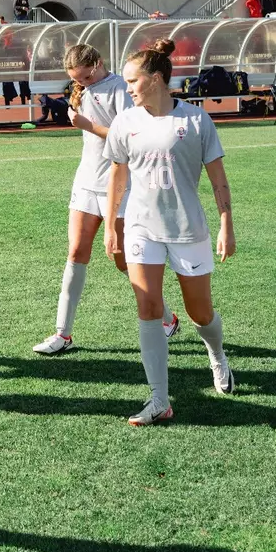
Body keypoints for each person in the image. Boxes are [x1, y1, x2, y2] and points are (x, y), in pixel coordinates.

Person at [105, 39, 238, 426]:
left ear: (157, 79)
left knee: (200, 313)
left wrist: (226, 223)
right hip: (141, 228)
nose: (127, 88)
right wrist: (114, 224)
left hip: (186, 228)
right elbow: (117, 174)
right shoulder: (125, 122)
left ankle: (217, 356)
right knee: (148, 308)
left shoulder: (196, 120)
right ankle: (159, 399)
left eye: (133, 80)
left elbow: (218, 180)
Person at [34, 44, 178, 356]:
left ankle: (168, 318)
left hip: (119, 187)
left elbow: (129, 136)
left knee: (123, 261)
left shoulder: (120, 89)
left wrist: (87, 125)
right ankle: (62, 333)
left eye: (86, 75)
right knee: (75, 252)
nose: (82, 82)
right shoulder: (83, 89)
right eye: (77, 79)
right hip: (85, 182)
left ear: (99, 63)